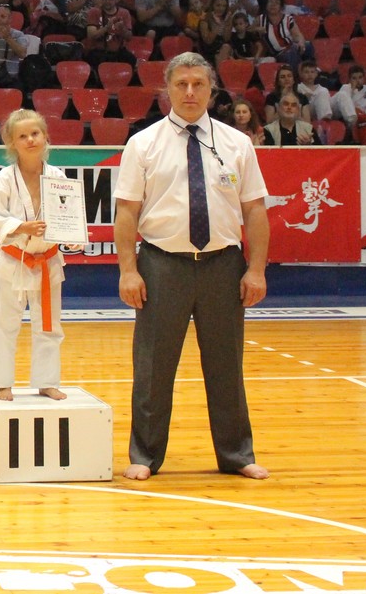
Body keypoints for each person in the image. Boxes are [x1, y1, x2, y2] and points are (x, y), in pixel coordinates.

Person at [114, 51, 270, 481]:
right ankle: (145, 455)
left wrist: (256, 269)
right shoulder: (143, 144)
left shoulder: (237, 143)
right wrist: (128, 270)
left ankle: (236, 454)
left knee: (226, 364)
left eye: (198, 84)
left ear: (211, 89)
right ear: (166, 89)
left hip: (224, 265)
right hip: (162, 264)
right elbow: (126, 212)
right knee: (153, 366)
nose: (189, 92)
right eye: (180, 84)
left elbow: (255, 210)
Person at [0, 109, 80, 402]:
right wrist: (21, 227)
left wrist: (73, 237)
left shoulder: (58, 177)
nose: (30, 140)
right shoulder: (4, 179)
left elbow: (67, 217)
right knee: (6, 324)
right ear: (12, 143)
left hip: (48, 261)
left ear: (45, 136)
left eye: (35, 133)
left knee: (49, 325)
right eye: (22, 136)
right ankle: (2, 383)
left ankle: (47, 381)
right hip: (13, 261)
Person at [83, 0, 135, 70]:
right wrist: (107, 28)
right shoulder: (94, 11)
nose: (107, 1)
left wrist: (122, 29)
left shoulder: (124, 13)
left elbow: (129, 37)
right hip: (99, 52)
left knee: (132, 60)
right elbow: (91, 35)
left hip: (119, 51)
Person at [257, 0, 312, 73]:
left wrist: (301, 42)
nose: (273, 5)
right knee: (290, 53)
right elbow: (248, 29)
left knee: (308, 45)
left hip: (291, 46)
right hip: (278, 53)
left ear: (281, 6)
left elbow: (297, 34)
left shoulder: (288, 18)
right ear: (266, 5)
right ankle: (297, 75)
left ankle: (310, 70)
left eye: (276, 3)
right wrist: (256, 29)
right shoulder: (260, 19)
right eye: (270, 2)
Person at [332, 65, 366, 144]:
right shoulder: (345, 88)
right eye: (354, 78)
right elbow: (344, 105)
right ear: (349, 79)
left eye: (360, 77)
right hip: (349, 119)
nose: (357, 80)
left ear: (364, 78)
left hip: (364, 118)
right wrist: (352, 89)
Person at [197, 0, 234, 66]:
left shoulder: (227, 18)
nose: (221, 9)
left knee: (226, 48)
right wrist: (217, 25)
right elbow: (208, 41)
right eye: (218, 5)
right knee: (225, 49)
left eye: (224, 6)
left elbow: (226, 38)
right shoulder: (204, 19)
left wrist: (227, 23)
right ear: (212, 6)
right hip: (209, 48)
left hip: (223, 46)